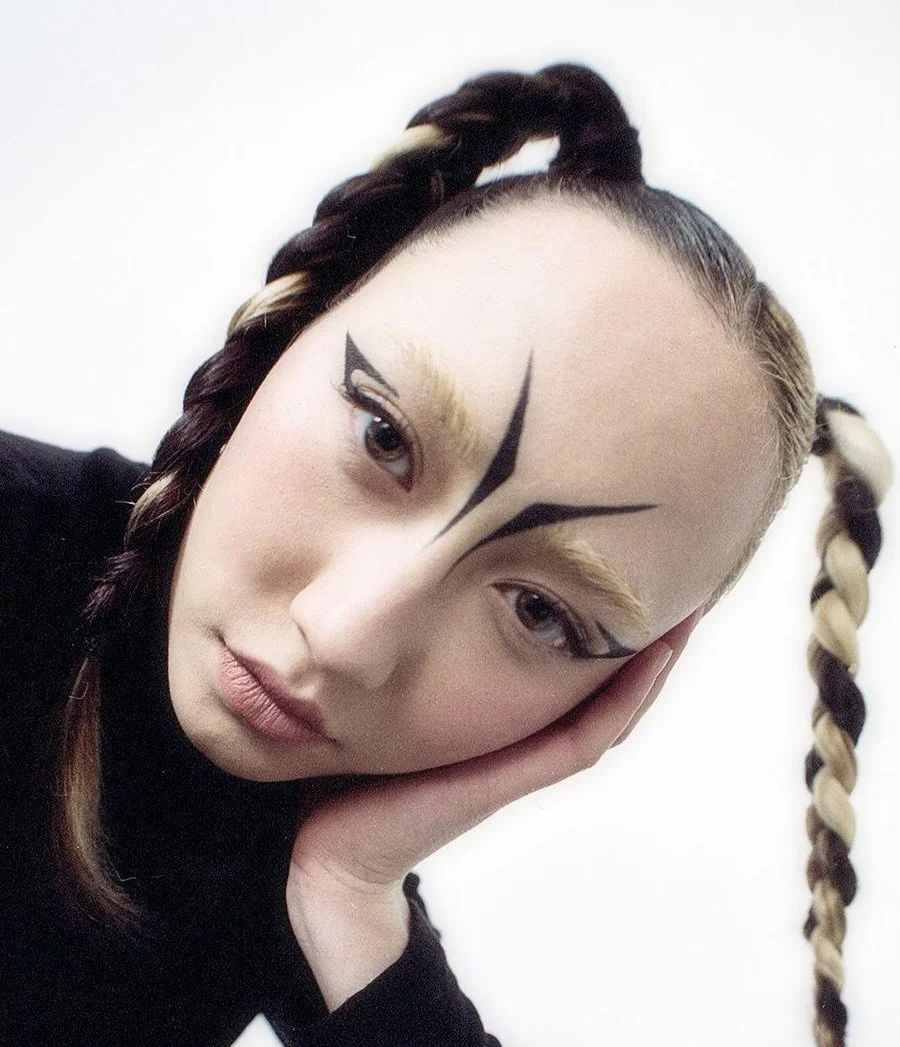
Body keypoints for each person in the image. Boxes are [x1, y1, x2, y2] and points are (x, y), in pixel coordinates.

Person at [0, 63, 890, 1047]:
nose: (345, 638)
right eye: (384, 437)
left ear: (613, 690)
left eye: (540, 612)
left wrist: (350, 894)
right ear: (298, 324)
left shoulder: (303, 850)